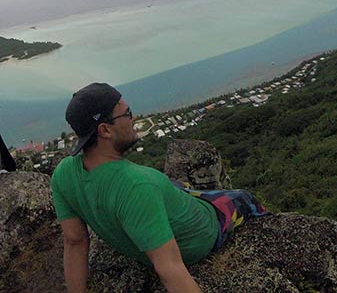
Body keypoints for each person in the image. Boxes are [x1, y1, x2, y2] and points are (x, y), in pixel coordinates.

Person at [50, 82, 266, 293]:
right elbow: (170, 269)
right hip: (203, 231)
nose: (133, 118)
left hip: (160, 208)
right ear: (105, 130)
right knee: (242, 198)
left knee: (174, 186)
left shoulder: (63, 173)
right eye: (127, 114)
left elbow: (75, 241)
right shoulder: (137, 186)